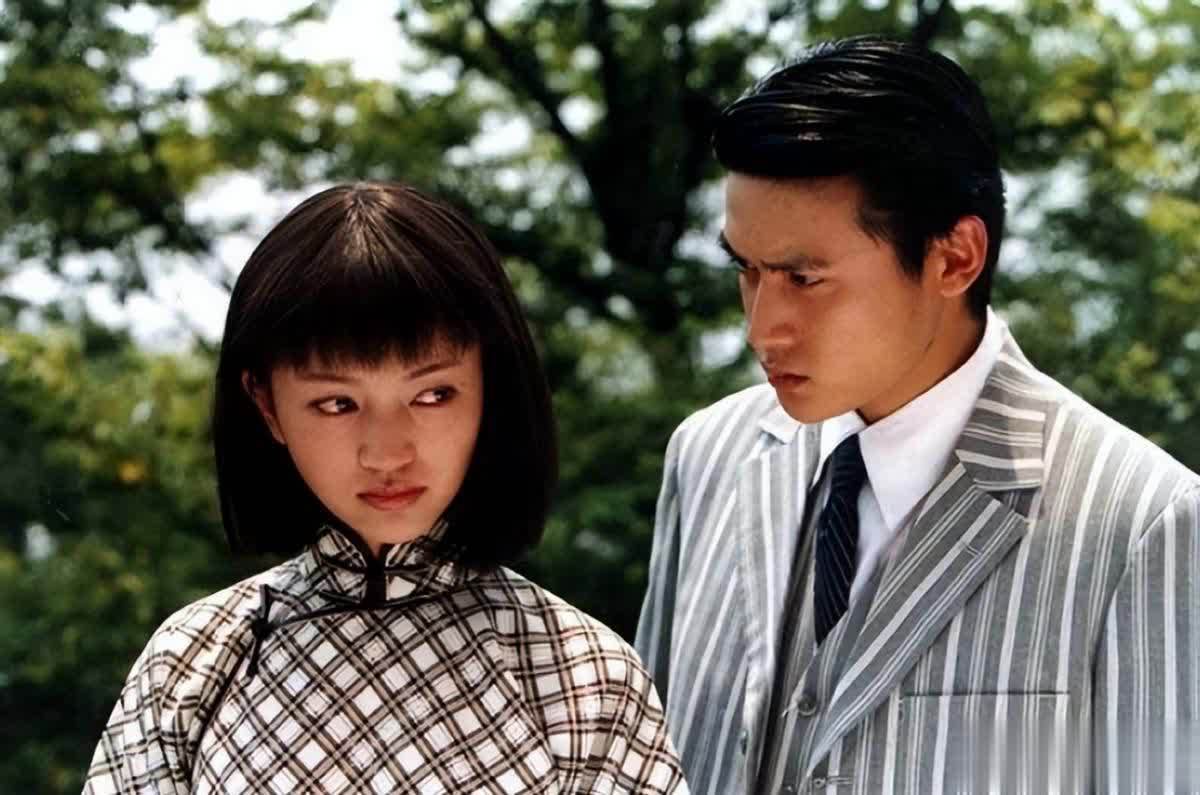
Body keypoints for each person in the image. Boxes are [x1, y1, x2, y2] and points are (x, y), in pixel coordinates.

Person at [635, 35, 1199, 794]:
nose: (762, 328)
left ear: (955, 257)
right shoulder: (706, 455)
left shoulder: (1146, 523)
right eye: (747, 270)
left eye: (804, 277)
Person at [83, 182, 687, 794]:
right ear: (266, 405)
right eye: (337, 403)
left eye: (433, 394)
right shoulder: (190, 664)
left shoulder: (584, 676)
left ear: (489, 387)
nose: (387, 452)